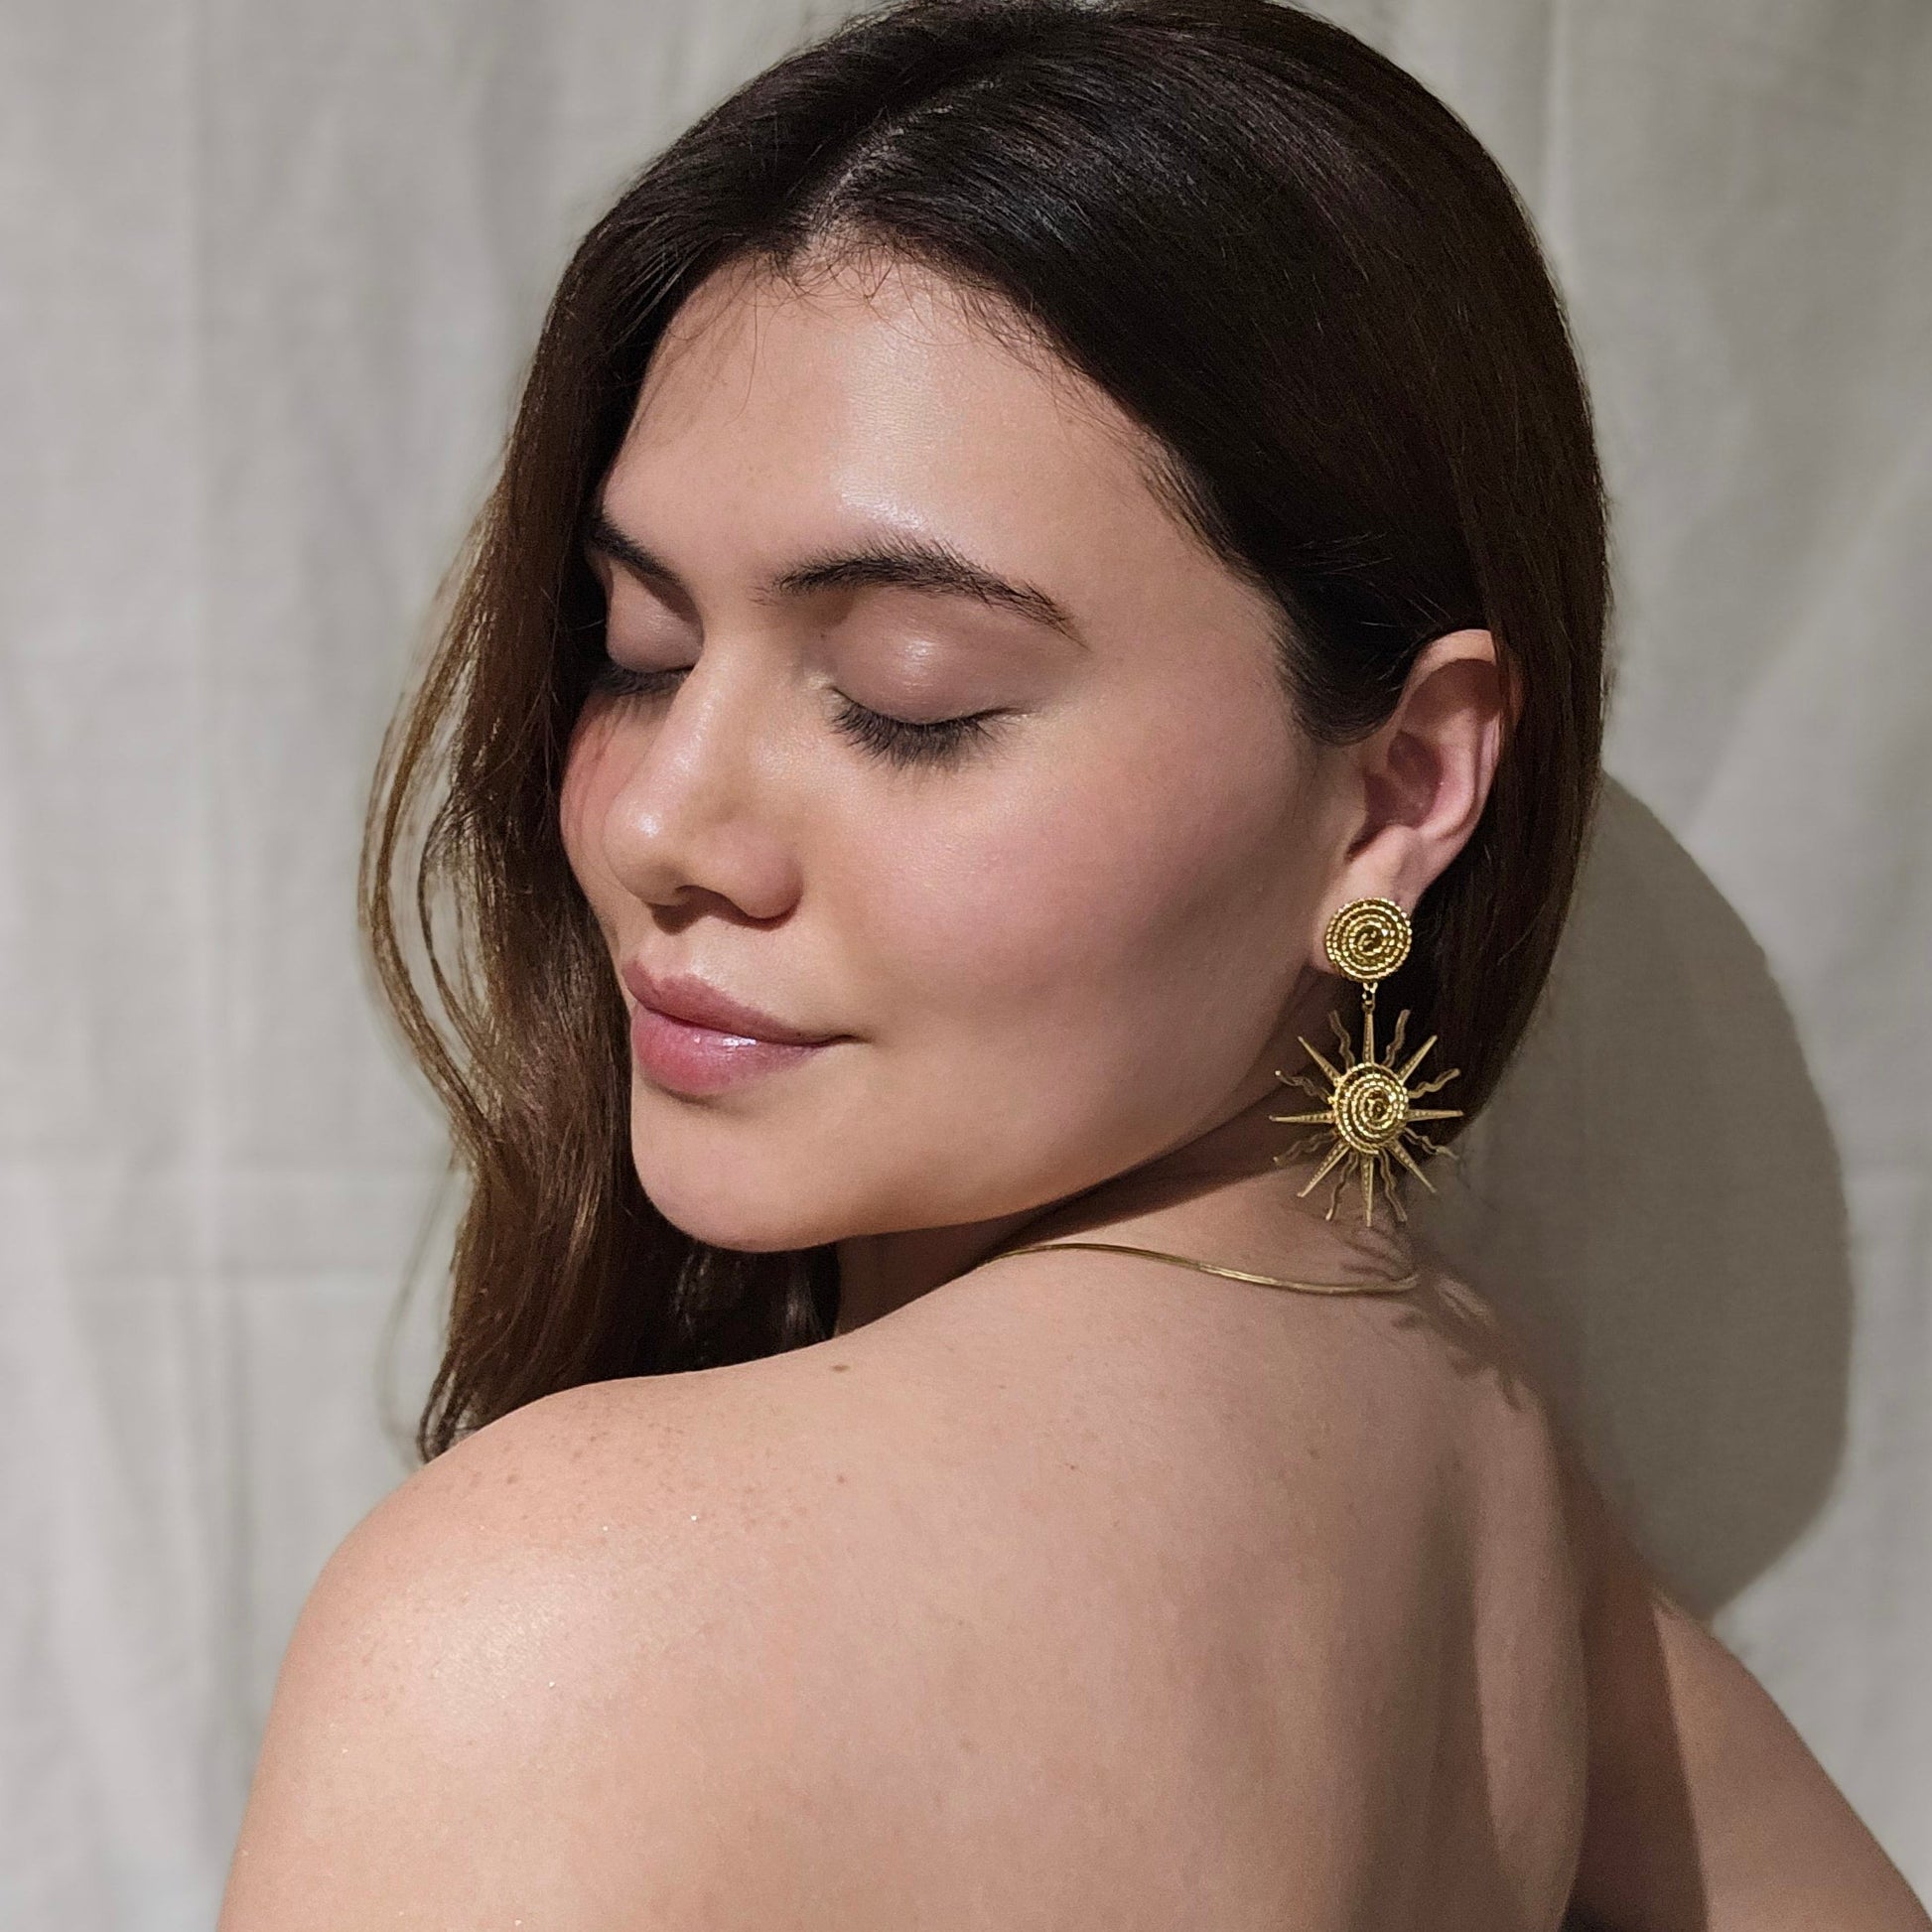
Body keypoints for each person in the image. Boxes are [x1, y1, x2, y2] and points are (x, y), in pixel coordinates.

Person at [217, 1, 1929, 1925]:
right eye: (636, 645)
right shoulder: (1485, 1462)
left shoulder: (556, 1609)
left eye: (906, 697)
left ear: (1399, 787)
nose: (654, 823)